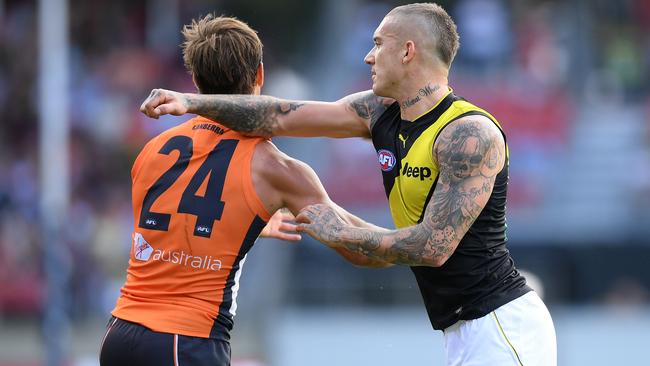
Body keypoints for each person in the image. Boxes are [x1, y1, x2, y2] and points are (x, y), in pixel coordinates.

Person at [140, 3, 557, 365]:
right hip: (463, 329)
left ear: (408, 51)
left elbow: (433, 248)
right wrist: (193, 103)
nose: (367, 57)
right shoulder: (378, 111)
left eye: (378, 44)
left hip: (500, 325)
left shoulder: (469, 134)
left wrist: (338, 230)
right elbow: (280, 115)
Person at [101, 14, 389, 366]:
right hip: (186, 340)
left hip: (120, 333)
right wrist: (424, 242)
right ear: (260, 76)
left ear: (195, 79)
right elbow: (356, 247)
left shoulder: (152, 150)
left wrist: (243, 220)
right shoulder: (275, 168)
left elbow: (171, 226)